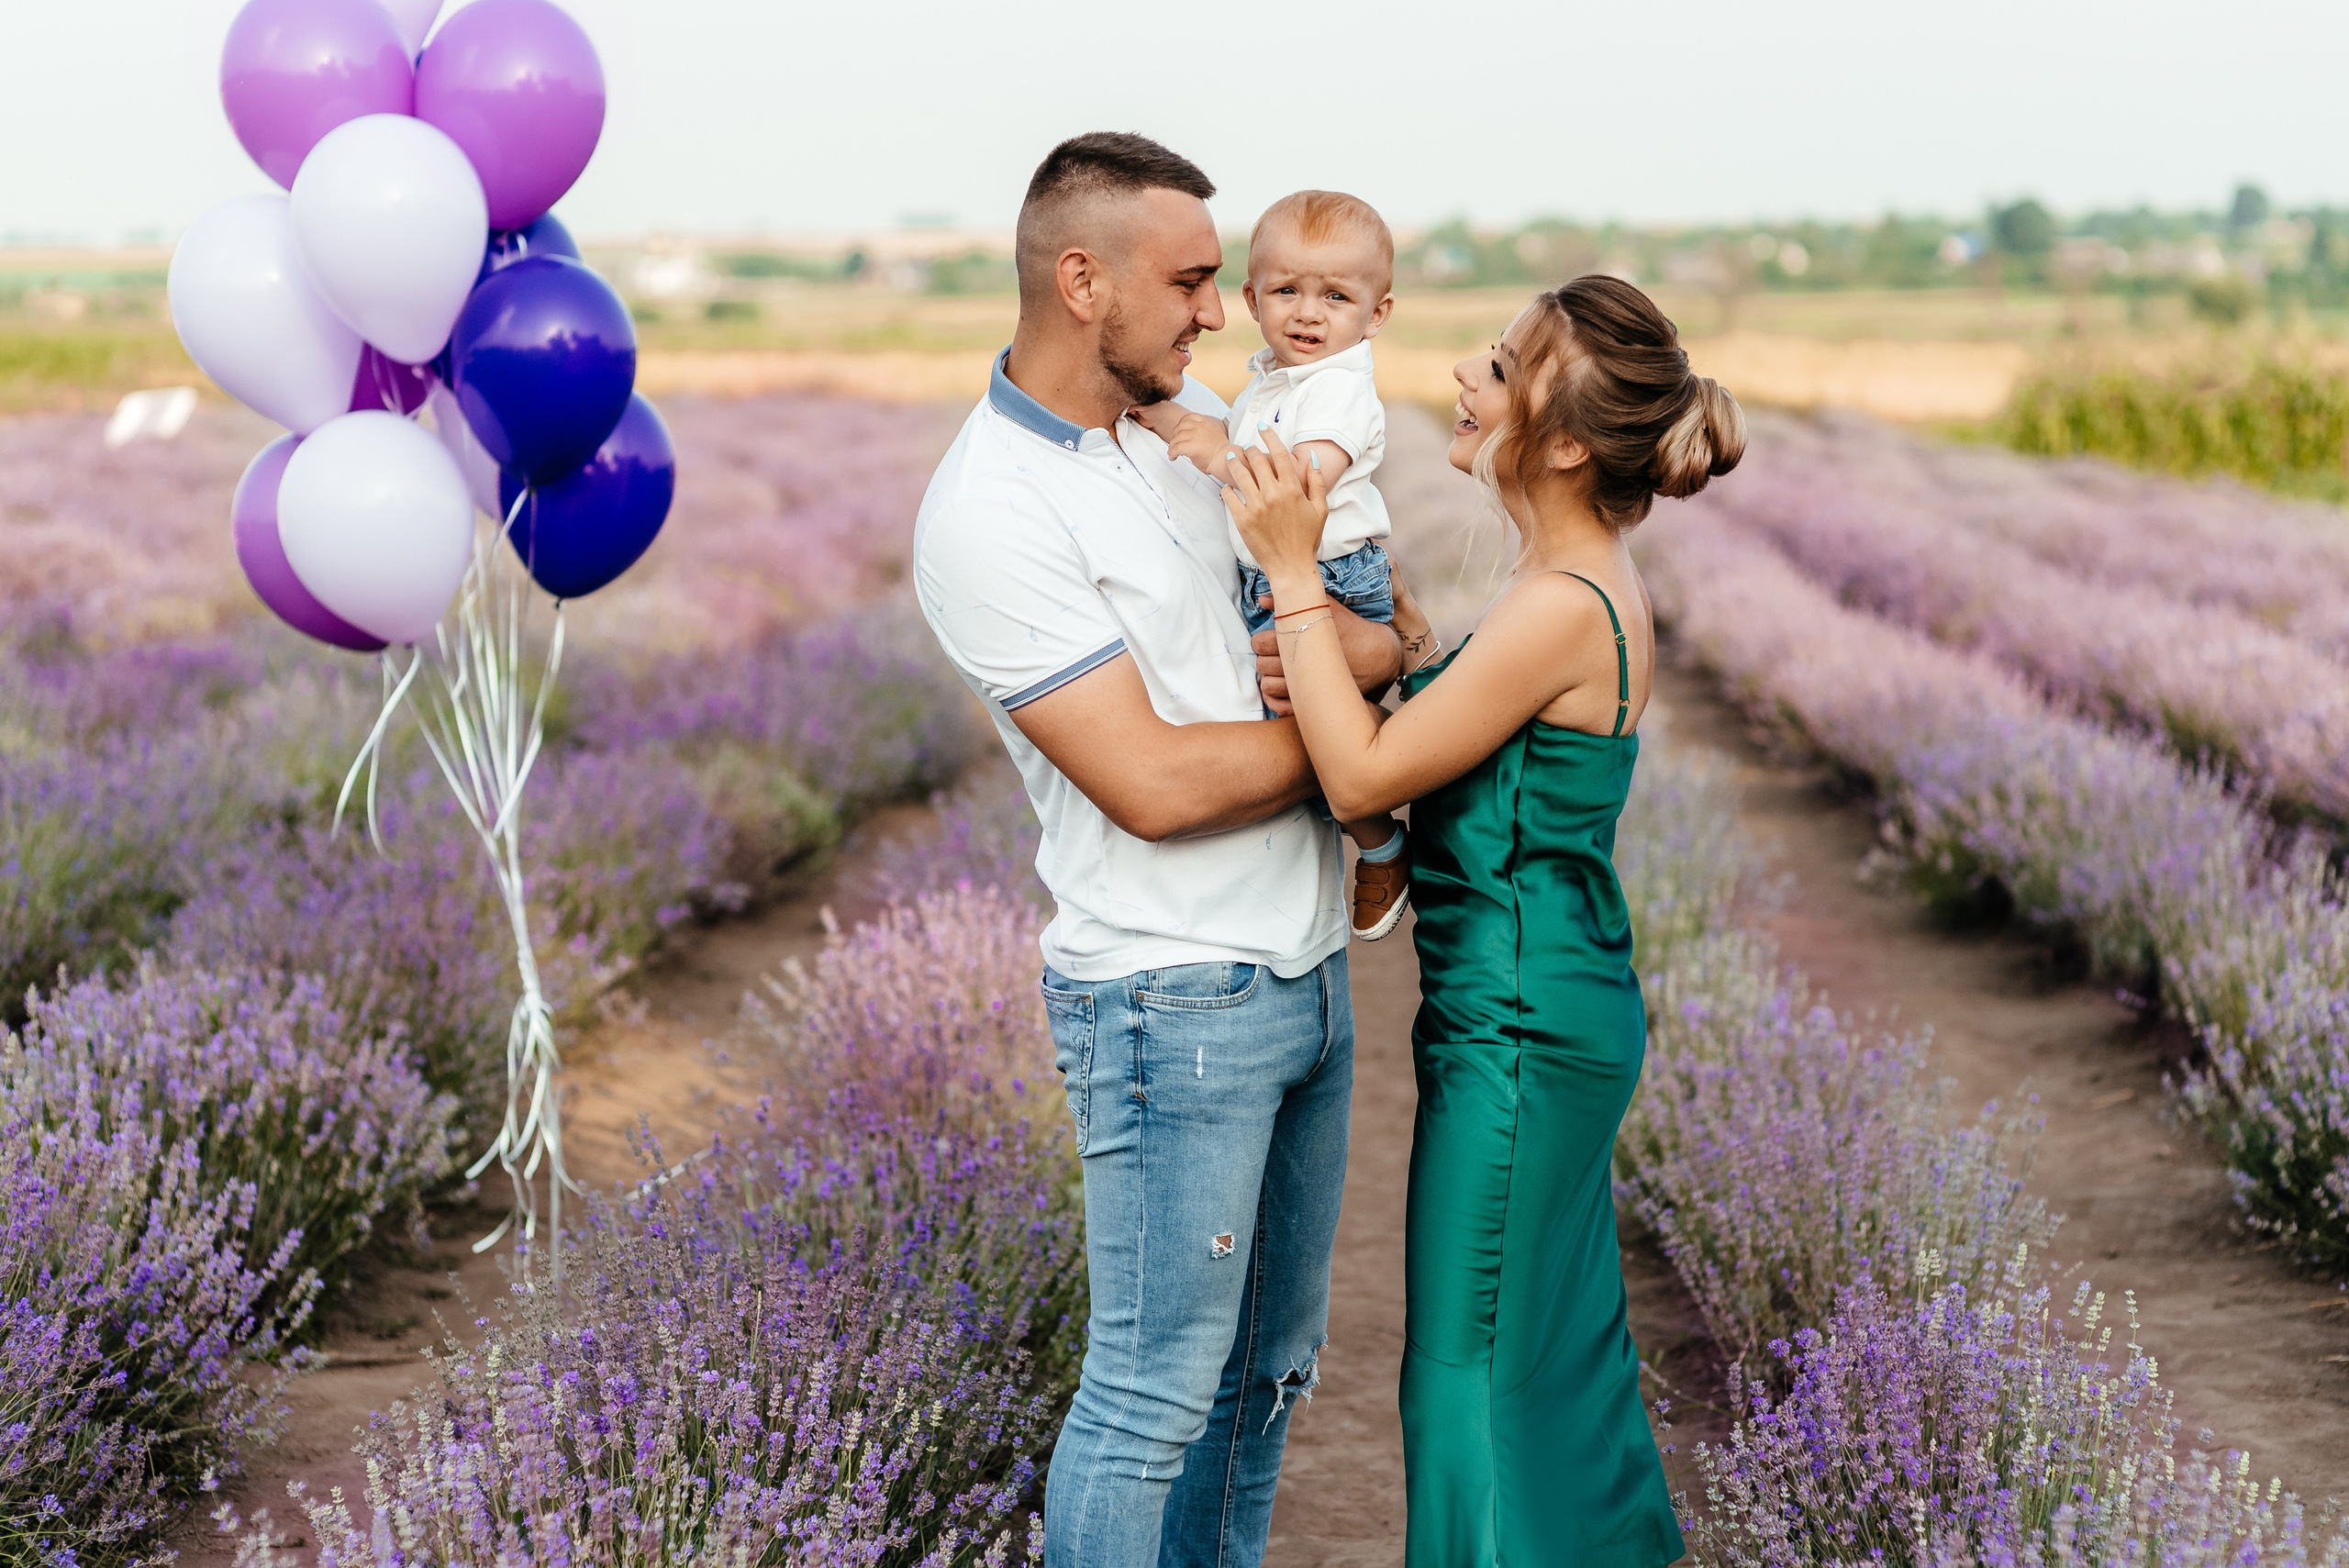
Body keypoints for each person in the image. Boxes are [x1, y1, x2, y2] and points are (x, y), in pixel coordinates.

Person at [910, 132, 1403, 1568]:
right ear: (1082, 281)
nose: (1220, 313)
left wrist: (1377, 657)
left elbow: (1369, 623)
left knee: (1263, 1383)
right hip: (1172, 1004)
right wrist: (1370, 743)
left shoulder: (1194, 427)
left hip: (1304, 976)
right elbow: (1159, 786)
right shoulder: (994, 509)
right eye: (1195, 282)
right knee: (1147, 1397)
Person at [1220, 273, 1745, 1567]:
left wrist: (1292, 573)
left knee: (1468, 1376)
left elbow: (1362, 777)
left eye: (1504, 369)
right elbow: (1439, 740)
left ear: (1564, 439)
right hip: (1534, 1014)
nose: (1467, 376)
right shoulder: (1562, 584)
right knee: (1546, 1363)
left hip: (1517, 1035)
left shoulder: (1563, 605)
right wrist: (1403, 637)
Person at [1135, 189, 1411, 941]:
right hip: (1282, 574)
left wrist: (1219, 455)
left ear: (1376, 314)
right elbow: (1238, 432)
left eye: (1336, 296)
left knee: (1316, 740)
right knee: (1291, 730)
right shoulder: (1274, 381)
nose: (1308, 313)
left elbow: (1296, 486)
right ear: (1252, 298)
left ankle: (1382, 841)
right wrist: (1170, 419)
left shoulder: (1342, 389)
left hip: (1325, 579)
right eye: (1287, 291)